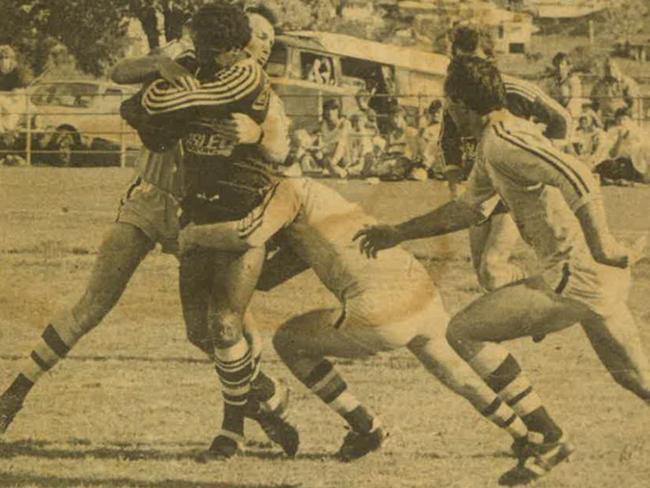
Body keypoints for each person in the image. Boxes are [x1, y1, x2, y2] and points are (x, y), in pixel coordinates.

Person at [0, 1, 296, 459]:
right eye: (257, 35)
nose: (261, 45)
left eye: (268, 41)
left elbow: (280, 149)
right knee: (94, 302)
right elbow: (122, 71)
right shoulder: (190, 57)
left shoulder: (260, 92)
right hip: (153, 194)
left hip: (208, 213)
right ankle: (13, 396)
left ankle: (233, 425)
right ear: (236, 38)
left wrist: (256, 137)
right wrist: (160, 64)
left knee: (225, 325)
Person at [354, 56, 650, 485]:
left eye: (448, 105)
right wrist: (397, 232)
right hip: (590, 276)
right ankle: (547, 436)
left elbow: (580, 176)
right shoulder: (497, 140)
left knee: (464, 331)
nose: (449, 115)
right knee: (637, 377)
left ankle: (547, 436)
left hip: (577, 274)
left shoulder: (506, 139)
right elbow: (468, 209)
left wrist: (602, 244)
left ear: (458, 103)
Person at [179, 175, 534, 463]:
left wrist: (191, 237)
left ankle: (365, 426)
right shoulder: (318, 205)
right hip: (417, 285)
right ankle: (522, 434)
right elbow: (270, 277)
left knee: (289, 341)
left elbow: (248, 232)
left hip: (382, 308)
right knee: (454, 372)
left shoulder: (286, 190)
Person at [441, 25, 573, 292]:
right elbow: (448, 139)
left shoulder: (515, 89)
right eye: (459, 60)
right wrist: (455, 178)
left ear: (490, 60)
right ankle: (530, 298)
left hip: (511, 186)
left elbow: (562, 120)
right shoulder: (456, 97)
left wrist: (541, 155)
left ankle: (546, 293)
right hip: (479, 187)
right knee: (484, 273)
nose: (465, 66)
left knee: (491, 267)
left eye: (473, 59)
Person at [590, 57, 639, 128]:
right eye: (606, 68)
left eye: (612, 67)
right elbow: (593, 102)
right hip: (604, 119)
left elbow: (634, 104)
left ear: (618, 68)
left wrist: (623, 115)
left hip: (622, 119)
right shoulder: (599, 83)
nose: (609, 70)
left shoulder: (627, 82)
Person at [313, 99, 351, 178]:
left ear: (338, 111)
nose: (330, 112)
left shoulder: (344, 123)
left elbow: (343, 140)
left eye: (333, 109)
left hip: (342, 156)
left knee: (341, 143)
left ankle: (332, 166)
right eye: (327, 109)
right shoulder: (322, 124)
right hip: (327, 154)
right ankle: (336, 169)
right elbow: (315, 136)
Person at [545, 52, 583, 118]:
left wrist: (565, 112)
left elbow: (575, 99)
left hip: (570, 114)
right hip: (555, 113)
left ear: (568, 67)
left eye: (562, 64)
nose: (559, 67)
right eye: (557, 64)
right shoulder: (551, 81)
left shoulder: (574, 80)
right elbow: (547, 97)